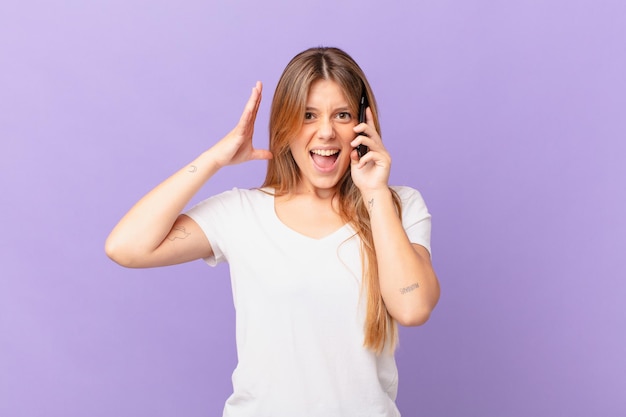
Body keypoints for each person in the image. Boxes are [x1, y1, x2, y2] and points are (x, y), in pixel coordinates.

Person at [105, 46, 440, 417]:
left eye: (342, 115)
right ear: (284, 125)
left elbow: (412, 307)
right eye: (308, 115)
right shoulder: (242, 213)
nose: (326, 131)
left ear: (363, 124)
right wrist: (215, 158)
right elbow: (125, 247)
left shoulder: (397, 206)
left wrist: (374, 192)